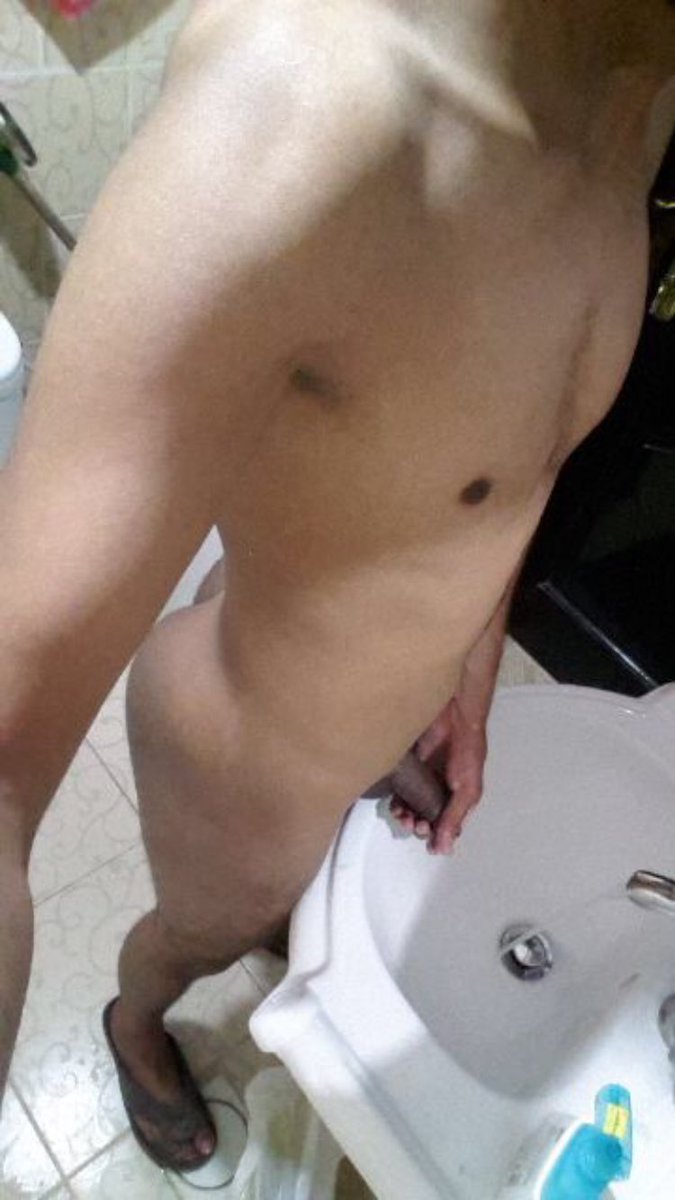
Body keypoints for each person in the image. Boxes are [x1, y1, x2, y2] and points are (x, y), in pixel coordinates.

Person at [1, 0, 673, 1176]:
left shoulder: (634, 100)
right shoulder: (300, 105)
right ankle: (136, 1022)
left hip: (347, 676)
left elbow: (513, 464)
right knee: (200, 937)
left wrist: (468, 667)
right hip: (249, 760)